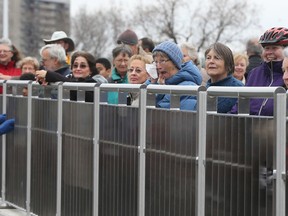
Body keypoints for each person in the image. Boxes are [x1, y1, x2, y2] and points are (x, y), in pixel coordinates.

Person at [231, 27, 288, 116]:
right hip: (250, 127)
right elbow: (241, 103)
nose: (269, 52)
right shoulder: (255, 73)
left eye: (274, 48)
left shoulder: (286, 77)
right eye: (266, 48)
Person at [146, 40, 202, 110]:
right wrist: (152, 83)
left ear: (175, 62)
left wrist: (161, 90)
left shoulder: (188, 87)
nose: (158, 66)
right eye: (156, 62)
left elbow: (160, 111)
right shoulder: (157, 82)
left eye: (162, 61)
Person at [36, 51, 107, 102]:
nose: (78, 68)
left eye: (83, 66)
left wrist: (50, 75)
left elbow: (76, 85)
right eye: (75, 65)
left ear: (91, 70)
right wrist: (44, 80)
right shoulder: (68, 79)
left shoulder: (93, 83)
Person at [205, 42, 244, 113]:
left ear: (228, 65)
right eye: (208, 58)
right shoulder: (204, 89)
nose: (211, 61)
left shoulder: (239, 89)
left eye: (217, 58)